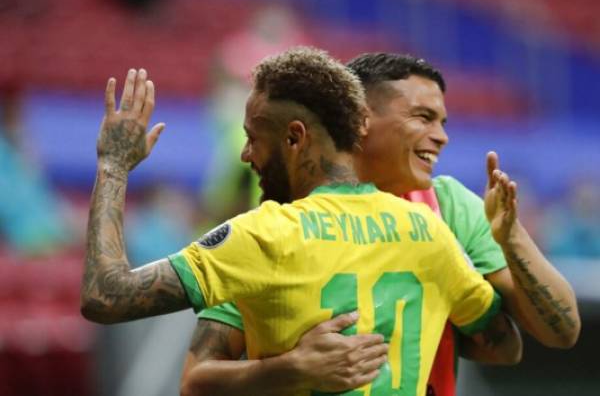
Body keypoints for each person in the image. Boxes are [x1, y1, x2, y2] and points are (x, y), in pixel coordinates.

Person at [80, 48, 514, 396]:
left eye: (253, 138)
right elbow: (504, 343)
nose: (246, 155)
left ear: (294, 138)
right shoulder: (429, 230)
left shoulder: (262, 236)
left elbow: (106, 296)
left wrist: (114, 166)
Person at [180, 53, 580, 396]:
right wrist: (292, 366)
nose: (440, 137)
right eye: (423, 117)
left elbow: (555, 335)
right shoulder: (284, 219)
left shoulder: (450, 205)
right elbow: (197, 380)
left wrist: (511, 240)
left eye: (442, 122)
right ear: (361, 119)